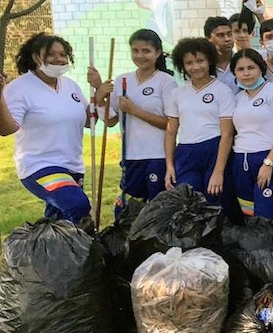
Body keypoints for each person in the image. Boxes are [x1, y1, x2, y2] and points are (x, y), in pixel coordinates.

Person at [0, 34, 93, 224]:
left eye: (63, 54)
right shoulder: (20, 88)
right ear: (36, 57)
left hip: (73, 165)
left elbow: (88, 121)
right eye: (51, 54)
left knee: (59, 221)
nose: (58, 59)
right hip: (40, 165)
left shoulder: (70, 86)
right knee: (77, 205)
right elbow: (6, 129)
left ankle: (50, 249)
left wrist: (98, 93)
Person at [89, 29, 177, 215]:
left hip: (157, 155)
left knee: (156, 209)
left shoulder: (166, 82)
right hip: (130, 156)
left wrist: (135, 111)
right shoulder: (123, 80)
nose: (140, 55)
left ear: (157, 53)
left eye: (146, 51)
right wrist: (99, 96)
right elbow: (111, 120)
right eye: (135, 51)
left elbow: (170, 124)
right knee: (130, 210)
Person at [164, 37, 235, 207]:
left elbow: (227, 133)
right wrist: (169, 165)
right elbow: (171, 131)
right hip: (186, 152)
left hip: (214, 149)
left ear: (209, 60)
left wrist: (218, 171)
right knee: (189, 202)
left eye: (200, 61)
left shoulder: (222, 91)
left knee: (215, 202)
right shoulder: (177, 94)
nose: (195, 67)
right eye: (189, 63)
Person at [230, 49, 273, 221]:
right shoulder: (237, 98)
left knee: (267, 216)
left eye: (251, 67)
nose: (246, 73)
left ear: (261, 68)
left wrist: (269, 163)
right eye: (240, 69)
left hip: (269, 158)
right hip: (241, 162)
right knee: (249, 217)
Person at [205, 16, 238, 92]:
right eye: (220, 35)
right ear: (208, 39)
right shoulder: (204, 67)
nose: (227, 39)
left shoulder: (242, 62)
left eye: (230, 34)